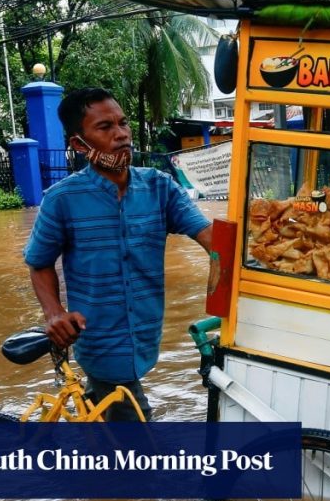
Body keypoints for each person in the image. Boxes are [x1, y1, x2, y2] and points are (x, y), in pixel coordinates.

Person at [23, 88, 212, 421]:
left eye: (123, 123)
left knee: (106, 424)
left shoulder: (160, 187)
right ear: (79, 144)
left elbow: (211, 238)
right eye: (105, 127)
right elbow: (39, 263)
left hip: (145, 333)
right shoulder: (61, 199)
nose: (122, 134)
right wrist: (54, 312)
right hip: (99, 338)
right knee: (138, 432)